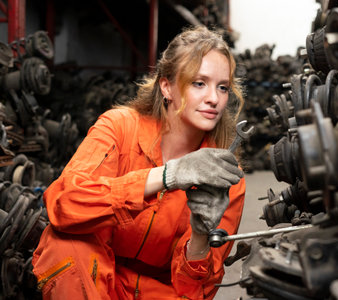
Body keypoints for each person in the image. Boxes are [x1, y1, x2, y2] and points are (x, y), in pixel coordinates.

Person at [32, 25, 246, 299]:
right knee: (65, 243)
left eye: (223, 87)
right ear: (166, 86)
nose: (214, 99)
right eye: (199, 83)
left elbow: (197, 291)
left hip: (155, 291)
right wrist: (168, 175)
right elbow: (63, 205)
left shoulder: (227, 178)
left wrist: (201, 236)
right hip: (93, 279)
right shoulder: (120, 127)